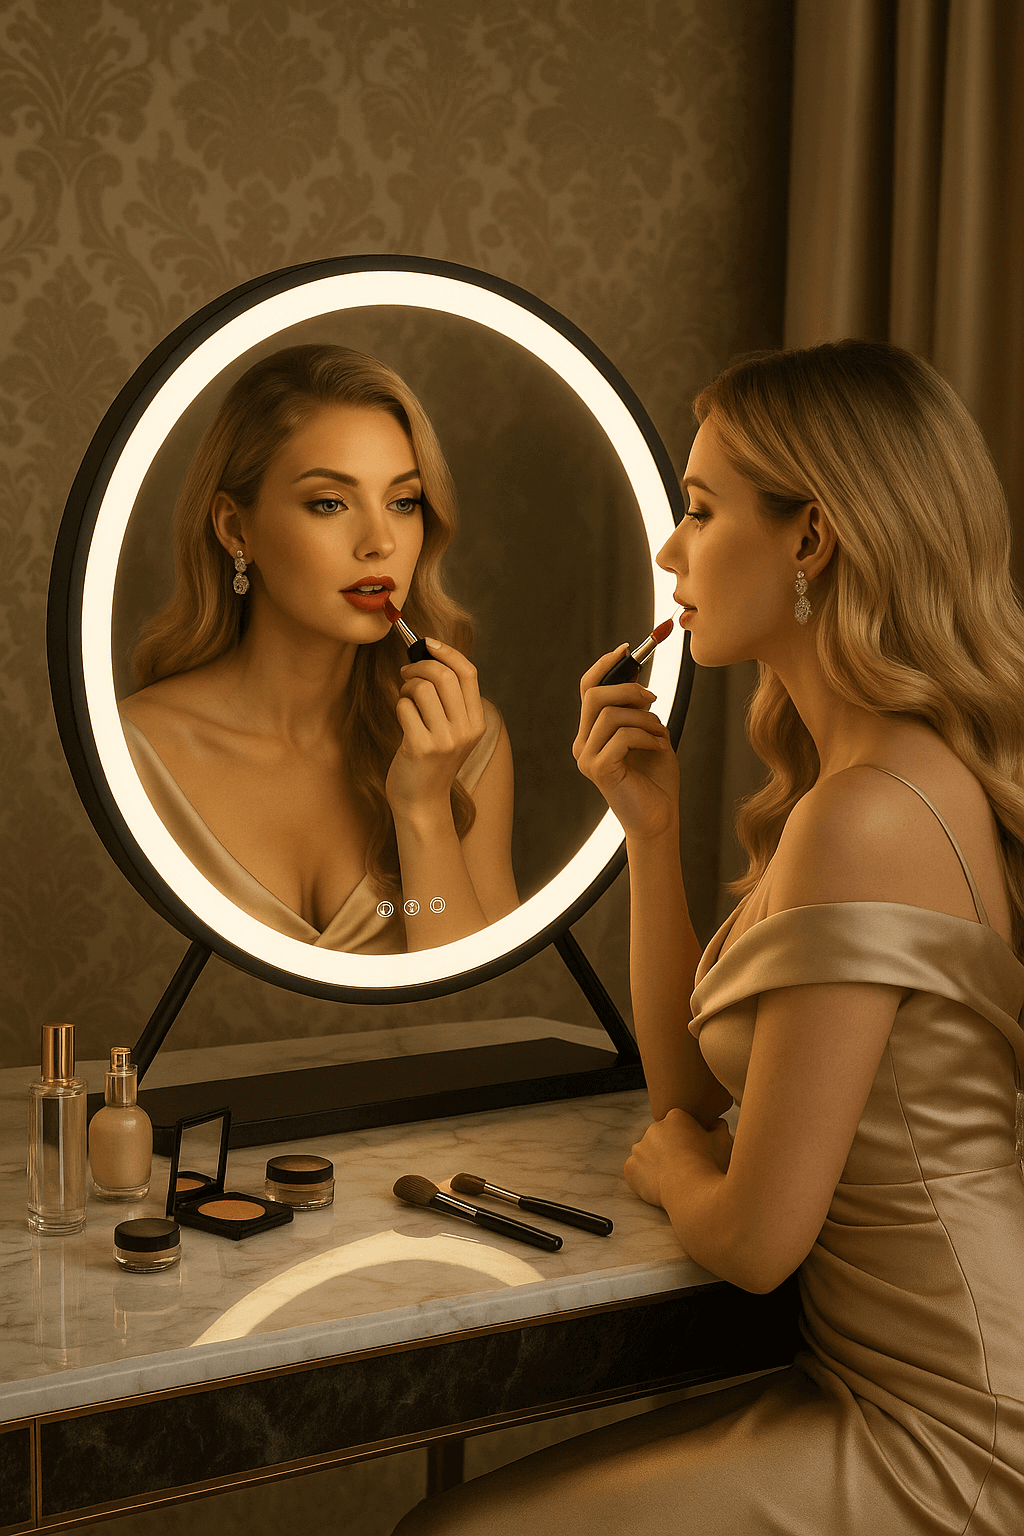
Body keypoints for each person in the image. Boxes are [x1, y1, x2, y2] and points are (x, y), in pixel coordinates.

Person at [391, 340, 1024, 1532]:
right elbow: (690, 1088)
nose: (668, 552)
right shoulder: (868, 786)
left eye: (698, 508)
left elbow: (752, 1240)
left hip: (956, 1434)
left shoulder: (865, 816)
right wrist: (648, 831)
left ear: (811, 537)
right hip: (880, 1386)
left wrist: (674, 1170)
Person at [120, 344, 518, 954]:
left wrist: (423, 809)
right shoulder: (131, 753)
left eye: (403, 502)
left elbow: (482, 1000)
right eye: (329, 503)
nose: (380, 542)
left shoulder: (464, 742)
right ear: (234, 528)